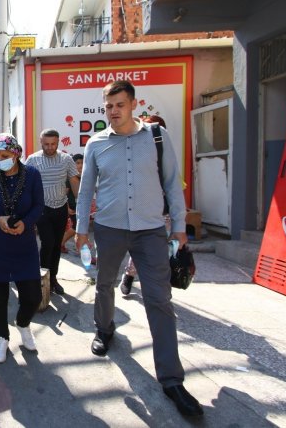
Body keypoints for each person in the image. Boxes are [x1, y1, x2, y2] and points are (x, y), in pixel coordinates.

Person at [76, 80, 203, 417]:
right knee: (104, 284)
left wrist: (179, 225)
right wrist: (81, 231)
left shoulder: (157, 138)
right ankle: (104, 329)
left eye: (119, 104)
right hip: (109, 228)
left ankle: (172, 378)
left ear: (133, 104)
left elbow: (173, 183)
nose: (113, 111)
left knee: (160, 300)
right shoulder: (96, 144)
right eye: (108, 106)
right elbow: (86, 188)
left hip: (150, 232)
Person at [0, 134, 44, 363]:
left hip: (24, 243)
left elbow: (38, 205)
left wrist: (26, 223)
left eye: (5, 155)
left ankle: (23, 324)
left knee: (32, 296)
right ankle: (1, 337)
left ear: (16, 153)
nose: (0, 160)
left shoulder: (33, 176)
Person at [26, 129, 80, 295]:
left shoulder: (66, 159)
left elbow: (74, 181)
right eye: (46, 144)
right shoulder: (32, 160)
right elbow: (26, 184)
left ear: (58, 143)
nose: (50, 147)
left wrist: (80, 203)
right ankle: (43, 277)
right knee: (48, 242)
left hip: (61, 208)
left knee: (57, 244)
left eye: (53, 144)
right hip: (42, 209)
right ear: (40, 142)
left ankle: (53, 278)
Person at [120, 115, 167, 296]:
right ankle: (129, 276)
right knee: (139, 247)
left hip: (162, 210)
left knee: (159, 251)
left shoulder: (163, 148)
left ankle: (158, 286)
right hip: (138, 208)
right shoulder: (130, 149)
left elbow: (173, 181)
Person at [61, 153, 83, 253]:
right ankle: (61, 244)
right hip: (71, 208)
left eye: (82, 162)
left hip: (78, 208)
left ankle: (61, 244)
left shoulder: (82, 177)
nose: (81, 165)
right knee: (76, 228)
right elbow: (63, 194)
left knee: (78, 228)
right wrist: (67, 207)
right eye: (78, 163)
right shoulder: (70, 177)